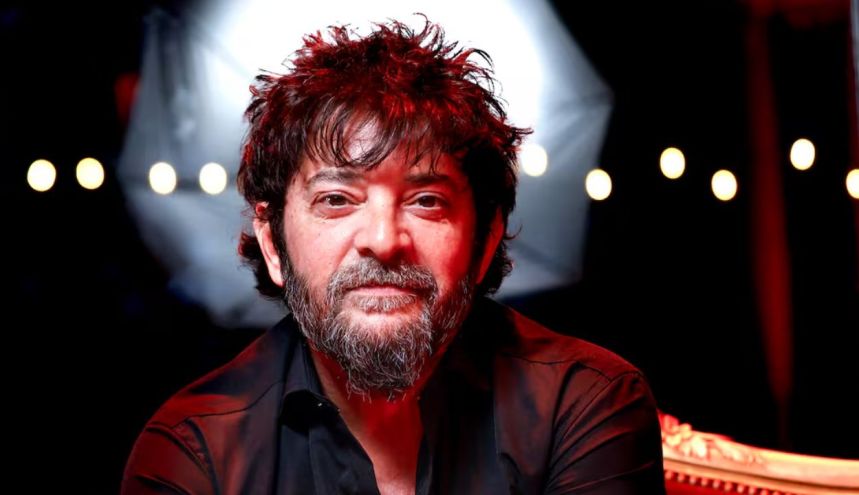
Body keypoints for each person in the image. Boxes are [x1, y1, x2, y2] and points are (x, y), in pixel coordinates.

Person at [121, 18, 665, 494]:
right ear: (272, 244)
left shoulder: (582, 404)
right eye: (337, 200)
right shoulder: (195, 452)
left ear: (486, 240)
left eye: (426, 201)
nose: (383, 240)